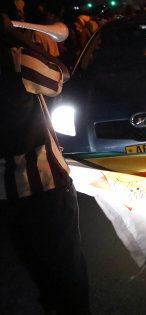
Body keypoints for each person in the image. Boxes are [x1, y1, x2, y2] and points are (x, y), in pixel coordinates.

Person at [0, 5, 90, 314]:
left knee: (39, 271)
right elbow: (61, 74)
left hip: (7, 196)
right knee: (68, 274)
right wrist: (16, 37)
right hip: (46, 186)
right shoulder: (18, 62)